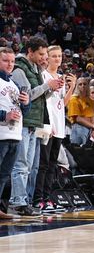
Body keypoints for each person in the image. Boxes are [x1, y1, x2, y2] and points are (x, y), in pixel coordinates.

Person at [9, 36, 58, 215]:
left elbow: (39, 99)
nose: (43, 57)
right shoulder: (20, 68)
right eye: (41, 53)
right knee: (21, 165)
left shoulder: (35, 69)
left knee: (29, 165)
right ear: (30, 51)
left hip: (33, 122)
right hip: (23, 121)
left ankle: (24, 200)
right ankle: (17, 202)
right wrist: (47, 85)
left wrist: (51, 89)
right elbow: (27, 96)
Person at [34, 45, 76, 213]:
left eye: (59, 56)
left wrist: (71, 87)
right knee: (43, 164)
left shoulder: (60, 77)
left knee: (53, 164)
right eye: (54, 56)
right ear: (47, 58)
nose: (57, 59)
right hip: (46, 126)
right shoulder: (43, 75)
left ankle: (48, 199)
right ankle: (38, 200)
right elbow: (43, 102)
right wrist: (47, 124)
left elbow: (62, 104)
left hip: (59, 126)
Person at [0, 47, 29, 218]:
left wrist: (26, 104)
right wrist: (5, 115)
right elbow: (7, 112)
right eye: (5, 60)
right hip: (1, 135)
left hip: (15, 135)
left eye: (12, 61)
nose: (10, 64)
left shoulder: (14, 84)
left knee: (4, 176)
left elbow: (23, 112)